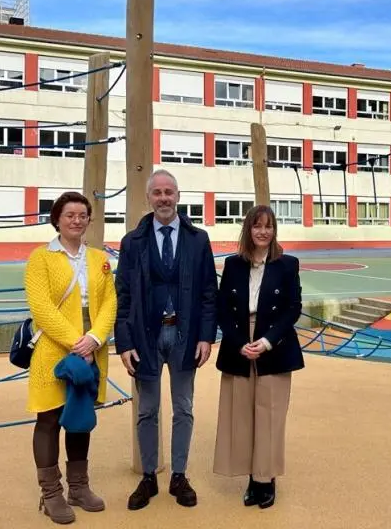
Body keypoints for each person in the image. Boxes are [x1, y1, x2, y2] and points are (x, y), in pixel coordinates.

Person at [113, 169, 218, 510]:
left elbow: (207, 293)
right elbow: (124, 296)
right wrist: (125, 343)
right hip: (145, 337)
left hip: (185, 336)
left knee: (183, 409)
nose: (163, 198)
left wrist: (206, 336)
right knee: (147, 410)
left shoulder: (198, 240)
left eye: (168, 192)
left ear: (178, 196)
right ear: (148, 198)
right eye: (157, 192)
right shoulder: (132, 243)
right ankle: (148, 477)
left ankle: (179, 475)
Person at [23, 191, 117, 525]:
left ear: (89, 220)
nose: (76, 220)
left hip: (92, 347)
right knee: (48, 418)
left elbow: (109, 302)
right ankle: (51, 494)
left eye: (82, 215)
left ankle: (79, 487)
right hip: (54, 348)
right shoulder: (40, 258)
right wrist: (76, 341)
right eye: (70, 215)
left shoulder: (98, 258)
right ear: (57, 219)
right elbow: (41, 308)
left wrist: (93, 338)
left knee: (79, 415)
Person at [213, 204, 304, 509]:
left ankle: (265, 479)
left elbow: (293, 308)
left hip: (273, 344)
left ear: (274, 230)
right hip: (239, 344)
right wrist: (240, 342)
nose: (263, 231)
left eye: (268, 226)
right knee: (242, 414)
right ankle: (252, 476)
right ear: (248, 230)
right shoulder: (233, 264)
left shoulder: (288, 264)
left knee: (269, 415)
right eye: (257, 226)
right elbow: (222, 308)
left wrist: (265, 341)